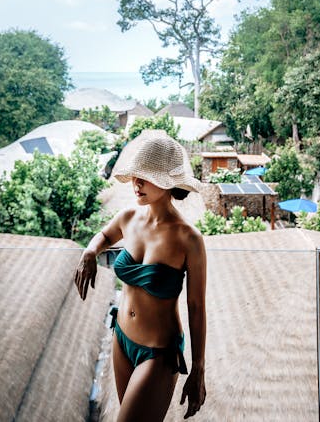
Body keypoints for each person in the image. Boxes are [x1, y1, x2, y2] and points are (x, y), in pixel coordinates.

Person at [74, 129, 207, 421]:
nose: (136, 182)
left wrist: (198, 368)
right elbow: (104, 235)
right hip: (121, 339)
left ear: (167, 182)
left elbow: (196, 307)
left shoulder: (189, 239)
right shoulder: (128, 217)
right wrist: (89, 252)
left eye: (145, 176)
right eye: (135, 174)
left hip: (158, 353)